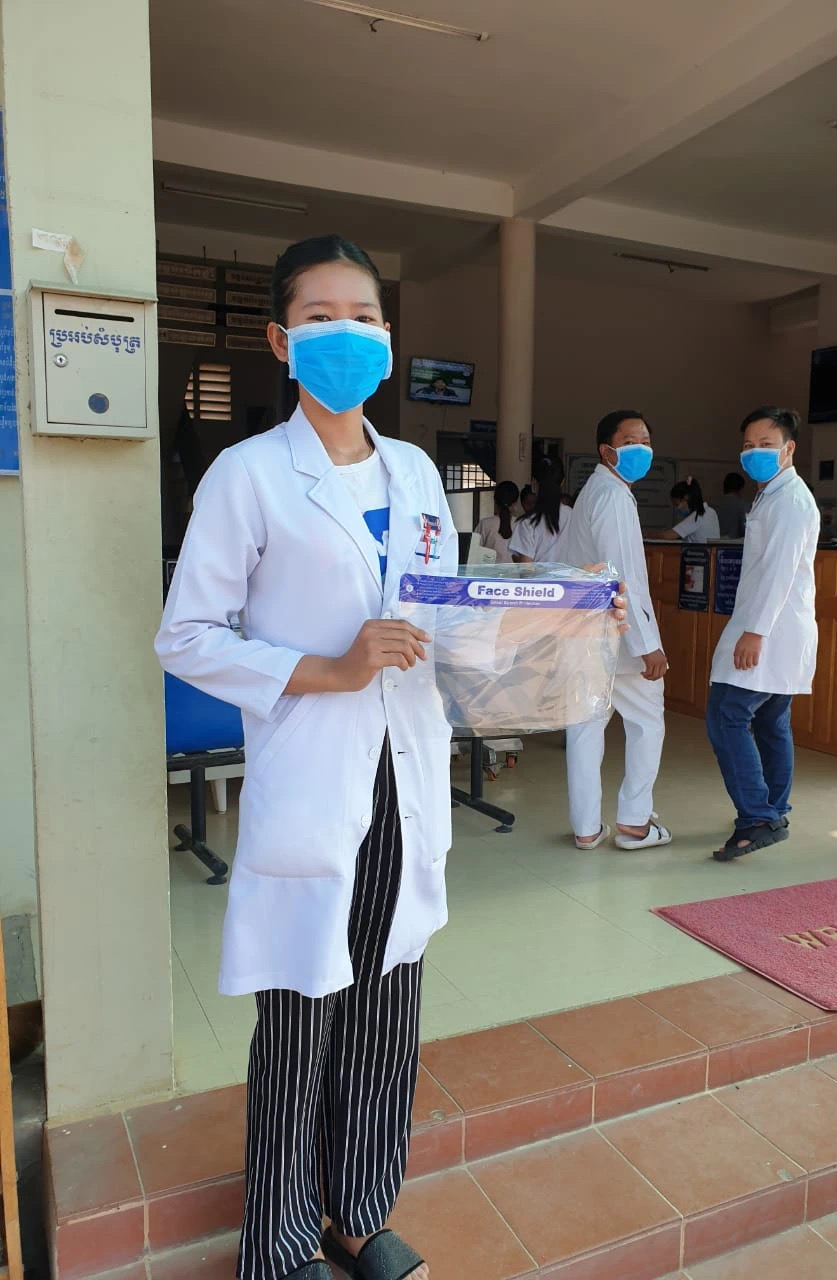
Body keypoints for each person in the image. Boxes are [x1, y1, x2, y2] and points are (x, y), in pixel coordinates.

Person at [157, 235, 447, 1280]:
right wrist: (327, 668)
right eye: (321, 317)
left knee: (385, 1003)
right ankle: (279, 1244)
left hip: (406, 772)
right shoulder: (248, 475)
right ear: (282, 341)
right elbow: (187, 635)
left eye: (363, 316)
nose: (346, 334)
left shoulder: (416, 472)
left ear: (387, 336)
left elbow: (437, 613)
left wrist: (545, 622)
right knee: (300, 1011)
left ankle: (358, 1212)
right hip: (316, 773)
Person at [555, 410, 672, 852]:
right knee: (646, 722)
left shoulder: (593, 493)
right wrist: (648, 645)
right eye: (630, 441)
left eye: (646, 440)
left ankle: (586, 828)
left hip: (583, 633)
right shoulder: (613, 496)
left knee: (585, 727)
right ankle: (635, 823)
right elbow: (624, 576)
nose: (641, 448)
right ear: (607, 451)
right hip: (618, 634)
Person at [707, 406, 820, 862]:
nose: (755, 453)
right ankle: (773, 809)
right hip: (775, 626)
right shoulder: (773, 494)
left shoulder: (790, 500)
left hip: (769, 628)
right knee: (771, 720)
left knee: (726, 715)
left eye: (766, 445)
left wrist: (754, 632)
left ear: (789, 449)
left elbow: (779, 571)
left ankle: (758, 817)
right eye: (748, 446)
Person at [510, 455, 571, 563]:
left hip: (540, 575)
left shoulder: (528, 522)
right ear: (562, 482)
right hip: (572, 574)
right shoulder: (574, 516)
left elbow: (526, 568)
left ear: (534, 483)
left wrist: (517, 558)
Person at [648, 478, 720, 542]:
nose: (677, 508)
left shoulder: (698, 515)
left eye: (676, 504)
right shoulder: (710, 511)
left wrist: (647, 535)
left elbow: (667, 536)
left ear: (686, 498)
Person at [475, 480, 519, 564]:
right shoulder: (521, 524)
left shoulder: (485, 524)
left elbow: (475, 551)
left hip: (489, 571)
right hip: (516, 572)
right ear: (516, 502)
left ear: (495, 501)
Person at [715, 471, 748, 539]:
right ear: (740, 489)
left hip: (715, 543)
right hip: (734, 543)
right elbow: (745, 529)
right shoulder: (742, 505)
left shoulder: (715, 504)